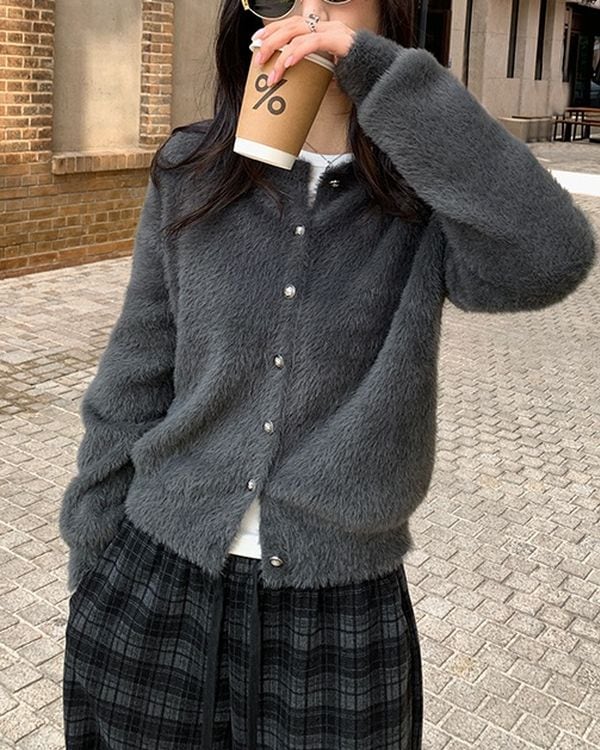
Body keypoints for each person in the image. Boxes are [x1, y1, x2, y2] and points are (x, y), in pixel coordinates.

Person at [59, 1, 597, 749]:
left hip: (339, 608)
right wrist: (92, 562)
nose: (307, 12)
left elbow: (552, 256)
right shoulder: (192, 170)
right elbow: (133, 375)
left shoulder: (424, 200)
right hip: (157, 577)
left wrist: (375, 70)